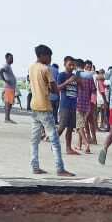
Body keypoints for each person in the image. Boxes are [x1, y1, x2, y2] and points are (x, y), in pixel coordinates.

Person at [28, 44, 74, 177]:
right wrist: (68, 81)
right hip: (44, 107)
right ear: (43, 56)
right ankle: (60, 168)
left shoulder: (31, 67)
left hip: (34, 106)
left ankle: (35, 166)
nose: (50, 59)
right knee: (55, 140)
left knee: (34, 139)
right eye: (49, 56)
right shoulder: (45, 69)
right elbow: (55, 90)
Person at [55, 56, 82, 155]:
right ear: (64, 64)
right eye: (69, 65)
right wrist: (68, 81)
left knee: (70, 128)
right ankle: (54, 144)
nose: (71, 67)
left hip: (73, 105)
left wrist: (79, 81)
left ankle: (68, 148)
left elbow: (81, 88)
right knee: (61, 127)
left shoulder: (75, 76)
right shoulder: (62, 75)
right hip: (65, 105)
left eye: (73, 65)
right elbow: (58, 88)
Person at [78, 60, 98, 149]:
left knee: (89, 121)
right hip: (82, 103)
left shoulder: (90, 77)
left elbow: (94, 90)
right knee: (85, 122)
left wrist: (92, 103)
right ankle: (87, 138)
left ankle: (92, 139)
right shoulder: (83, 76)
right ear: (84, 67)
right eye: (87, 67)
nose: (88, 69)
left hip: (88, 103)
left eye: (90, 67)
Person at [0, 53, 17, 123]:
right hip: (9, 88)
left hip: (11, 88)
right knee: (8, 103)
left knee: (10, 103)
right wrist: (5, 80)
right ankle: (7, 119)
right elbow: (0, 71)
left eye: (12, 58)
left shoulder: (8, 66)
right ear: (6, 58)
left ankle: (8, 118)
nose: (12, 59)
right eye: (11, 58)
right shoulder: (6, 66)